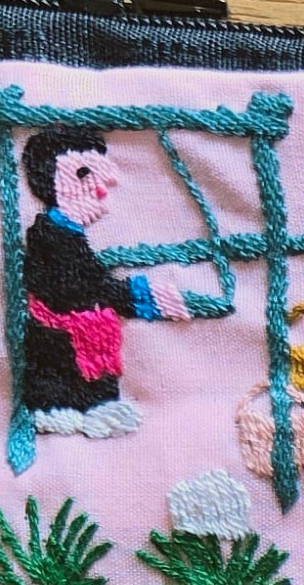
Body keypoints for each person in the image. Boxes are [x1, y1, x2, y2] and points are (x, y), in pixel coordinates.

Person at [16, 129, 200, 438]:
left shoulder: (67, 235)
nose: (102, 188)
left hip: (74, 340)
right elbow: (81, 289)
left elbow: (89, 284)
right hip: (60, 345)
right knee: (65, 375)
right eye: (84, 174)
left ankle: (91, 408)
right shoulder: (52, 237)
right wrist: (141, 297)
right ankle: (63, 410)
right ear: (50, 179)